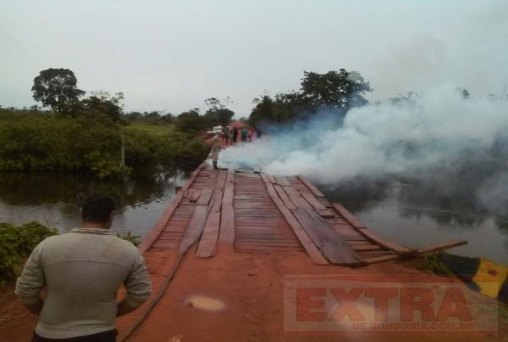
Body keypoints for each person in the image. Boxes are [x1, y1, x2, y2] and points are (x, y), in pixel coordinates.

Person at [15, 194, 152, 342]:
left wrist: (44, 313)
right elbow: (141, 294)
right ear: (112, 215)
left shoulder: (47, 246)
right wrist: (113, 313)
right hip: (101, 334)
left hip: (50, 334)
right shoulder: (128, 250)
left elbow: (25, 292)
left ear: (81, 213)